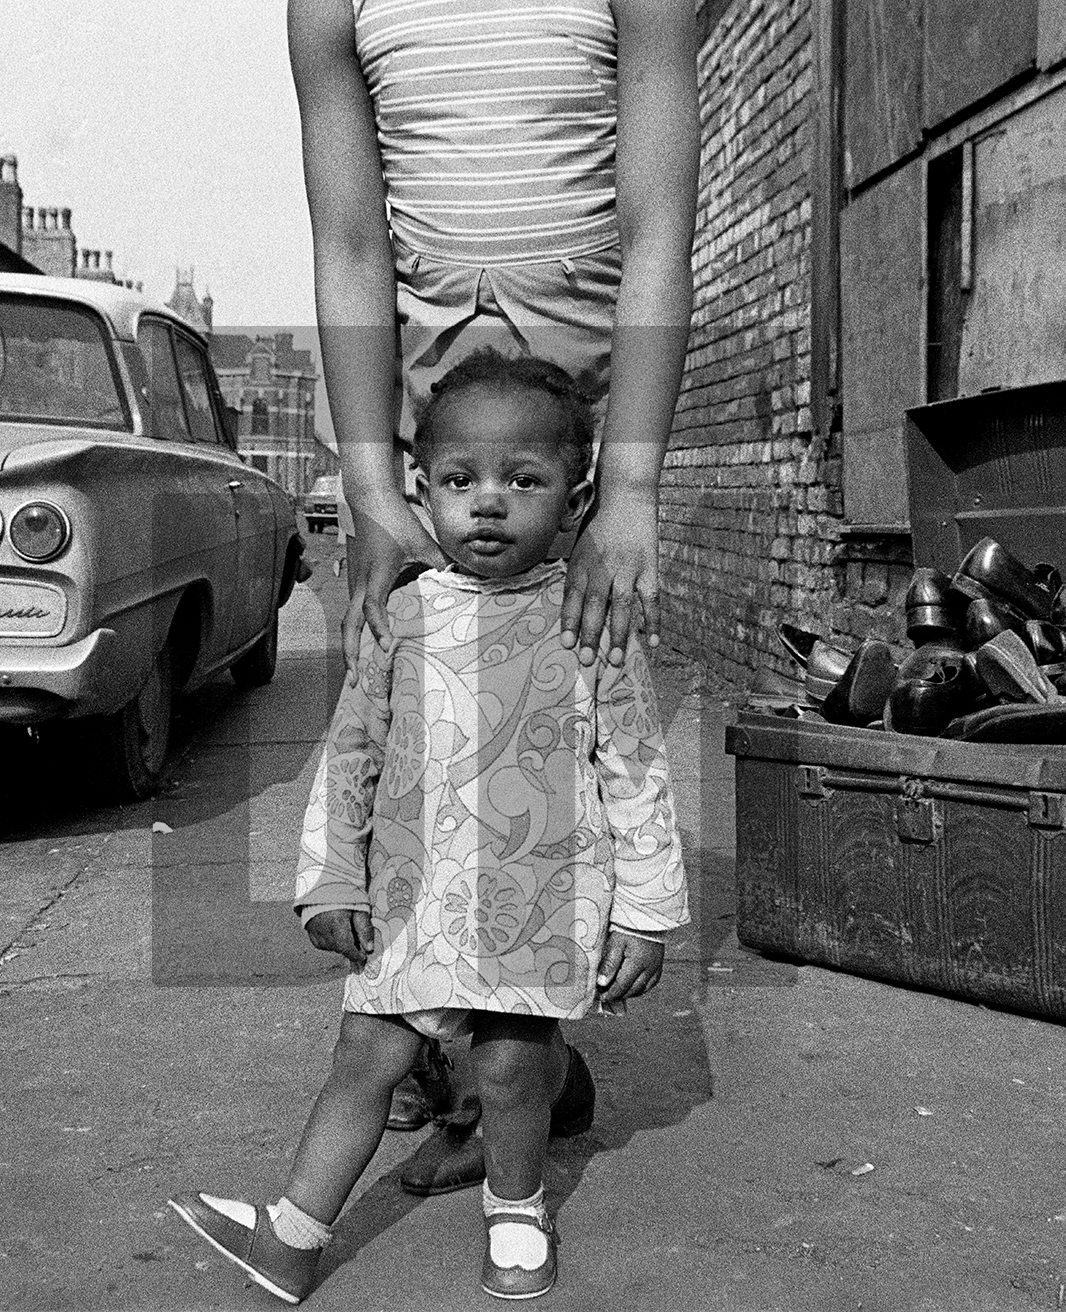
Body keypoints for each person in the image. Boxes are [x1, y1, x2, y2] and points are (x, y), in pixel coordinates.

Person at [169, 352, 690, 1304]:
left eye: (523, 481)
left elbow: (635, 771)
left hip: (540, 897)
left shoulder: (590, 622)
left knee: (509, 1066)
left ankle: (518, 1217)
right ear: (423, 492)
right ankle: (292, 1240)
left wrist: (645, 914)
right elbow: (351, 756)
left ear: (576, 501)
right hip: (410, 898)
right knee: (366, 1056)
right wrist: (330, 880)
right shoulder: (401, 617)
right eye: (461, 481)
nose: (488, 503)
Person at [285, 0, 699, 1187]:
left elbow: (657, 221)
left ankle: (511, 1061)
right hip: (425, 401)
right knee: (411, 727)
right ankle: (452, 1040)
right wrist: (371, 486)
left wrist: (628, 489)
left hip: (571, 403)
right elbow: (352, 241)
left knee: (564, 730)